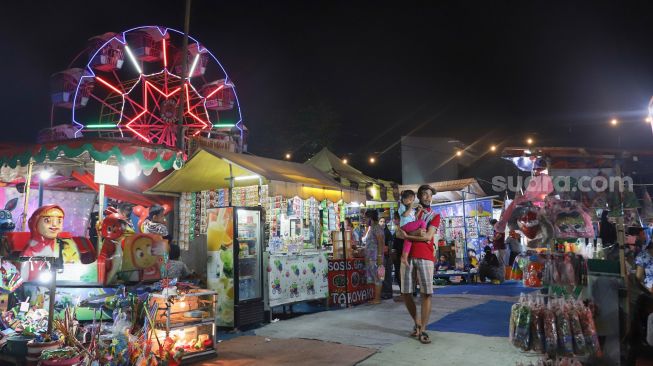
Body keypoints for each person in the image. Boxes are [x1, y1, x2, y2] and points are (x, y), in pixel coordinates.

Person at [397, 185, 440, 344]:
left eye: (429, 195)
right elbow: (398, 233)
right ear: (419, 197)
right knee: (406, 292)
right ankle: (417, 323)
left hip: (425, 255)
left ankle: (423, 330)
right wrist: (413, 234)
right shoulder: (410, 211)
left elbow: (427, 237)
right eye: (424, 194)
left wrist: (408, 235)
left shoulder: (435, 215)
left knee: (426, 293)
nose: (427, 197)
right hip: (407, 256)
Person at [362, 209, 386, 304]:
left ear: (370, 218)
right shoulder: (373, 227)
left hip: (375, 257)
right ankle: (376, 297)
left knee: (377, 277)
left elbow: (380, 241)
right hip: (374, 257)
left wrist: (379, 256)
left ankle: (377, 299)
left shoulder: (376, 227)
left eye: (365, 218)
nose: (364, 220)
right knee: (377, 277)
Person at [398, 190, 427, 267]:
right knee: (422, 222)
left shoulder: (410, 208)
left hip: (409, 225)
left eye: (413, 200)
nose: (412, 202)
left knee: (408, 241)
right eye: (410, 200)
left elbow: (415, 218)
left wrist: (419, 210)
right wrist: (411, 206)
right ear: (404, 199)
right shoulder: (402, 206)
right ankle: (423, 235)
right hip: (405, 225)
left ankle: (404, 257)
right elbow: (405, 215)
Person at [379, 216, 394, 299]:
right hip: (381, 256)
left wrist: (388, 252)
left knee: (386, 275)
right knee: (382, 275)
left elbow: (390, 244)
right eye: (380, 221)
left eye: (383, 221)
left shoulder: (386, 232)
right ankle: (384, 292)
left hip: (386, 257)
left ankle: (387, 293)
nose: (382, 223)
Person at [391, 213, 403, 288]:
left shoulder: (402, 229)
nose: (394, 220)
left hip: (401, 254)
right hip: (397, 254)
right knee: (398, 272)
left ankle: (404, 292)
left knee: (400, 272)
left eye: (395, 218)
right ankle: (403, 292)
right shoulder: (397, 229)